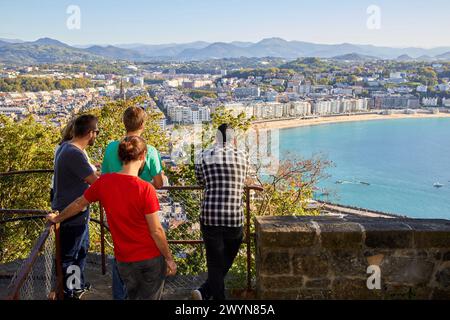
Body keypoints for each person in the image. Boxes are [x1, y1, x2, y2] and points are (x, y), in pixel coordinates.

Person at [47, 136, 177, 300]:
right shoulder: (145, 189)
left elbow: (79, 203)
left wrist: (58, 218)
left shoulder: (104, 182)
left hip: (124, 259)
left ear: (121, 156)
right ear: (143, 156)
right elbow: (156, 230)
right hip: (148, 258)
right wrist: (169, 258)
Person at [101, 106, 166, 300]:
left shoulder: (112, 147)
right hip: (142, 206)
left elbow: (104, 177)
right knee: (148, 246)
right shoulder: (149, 150)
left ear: (124, 123)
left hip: (116, 207)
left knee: (120, 248)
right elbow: (159, 183)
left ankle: (120, 295)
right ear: (143, 125)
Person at [192, 124, 249, 300]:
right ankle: (210, 294)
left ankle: (207, 292)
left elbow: (200, 179)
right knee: (226, 259)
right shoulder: (243, 156)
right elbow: (244, 178)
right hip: (234, 216)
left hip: (211, 215)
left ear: (216, 137)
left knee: (215, 263)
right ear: (233, 138)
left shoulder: (203, 155)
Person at [51, 114, 100, 299]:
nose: (97, 135)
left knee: (81, 250)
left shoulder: (65, 147)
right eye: (96, 132)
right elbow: (96, 184)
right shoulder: (75, 153)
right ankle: (69, 292)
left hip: (75, 211)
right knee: (70, 256)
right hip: (72, 213)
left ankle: (76, 285)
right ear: (89, 133)